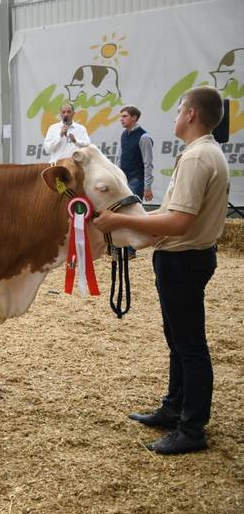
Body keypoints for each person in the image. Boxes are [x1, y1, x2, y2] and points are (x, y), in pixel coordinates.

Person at [94, 86, 229, 455]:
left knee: (189, 345)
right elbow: (174, 216)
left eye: (179, 110)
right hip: (187, 257)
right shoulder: (204, 153)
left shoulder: (197, 158)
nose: (175, 116)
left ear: (191, 114)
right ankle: (174, 408)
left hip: (183, 260)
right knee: (179, 340)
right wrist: (135, 232)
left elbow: (179, 222)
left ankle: (191, 428)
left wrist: (118, 220)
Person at [118, 105, 155, 259]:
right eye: (121, 116)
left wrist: (147, 186)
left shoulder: (144, 137)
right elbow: (120, 158)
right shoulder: (123, 135)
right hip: (124, 179)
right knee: (121, 212)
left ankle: (131, 250)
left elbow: (148, 163)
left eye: (125, 116)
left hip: (136, 180)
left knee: (133, 214)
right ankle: (119, 246)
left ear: (134, 118)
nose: (121, 119)